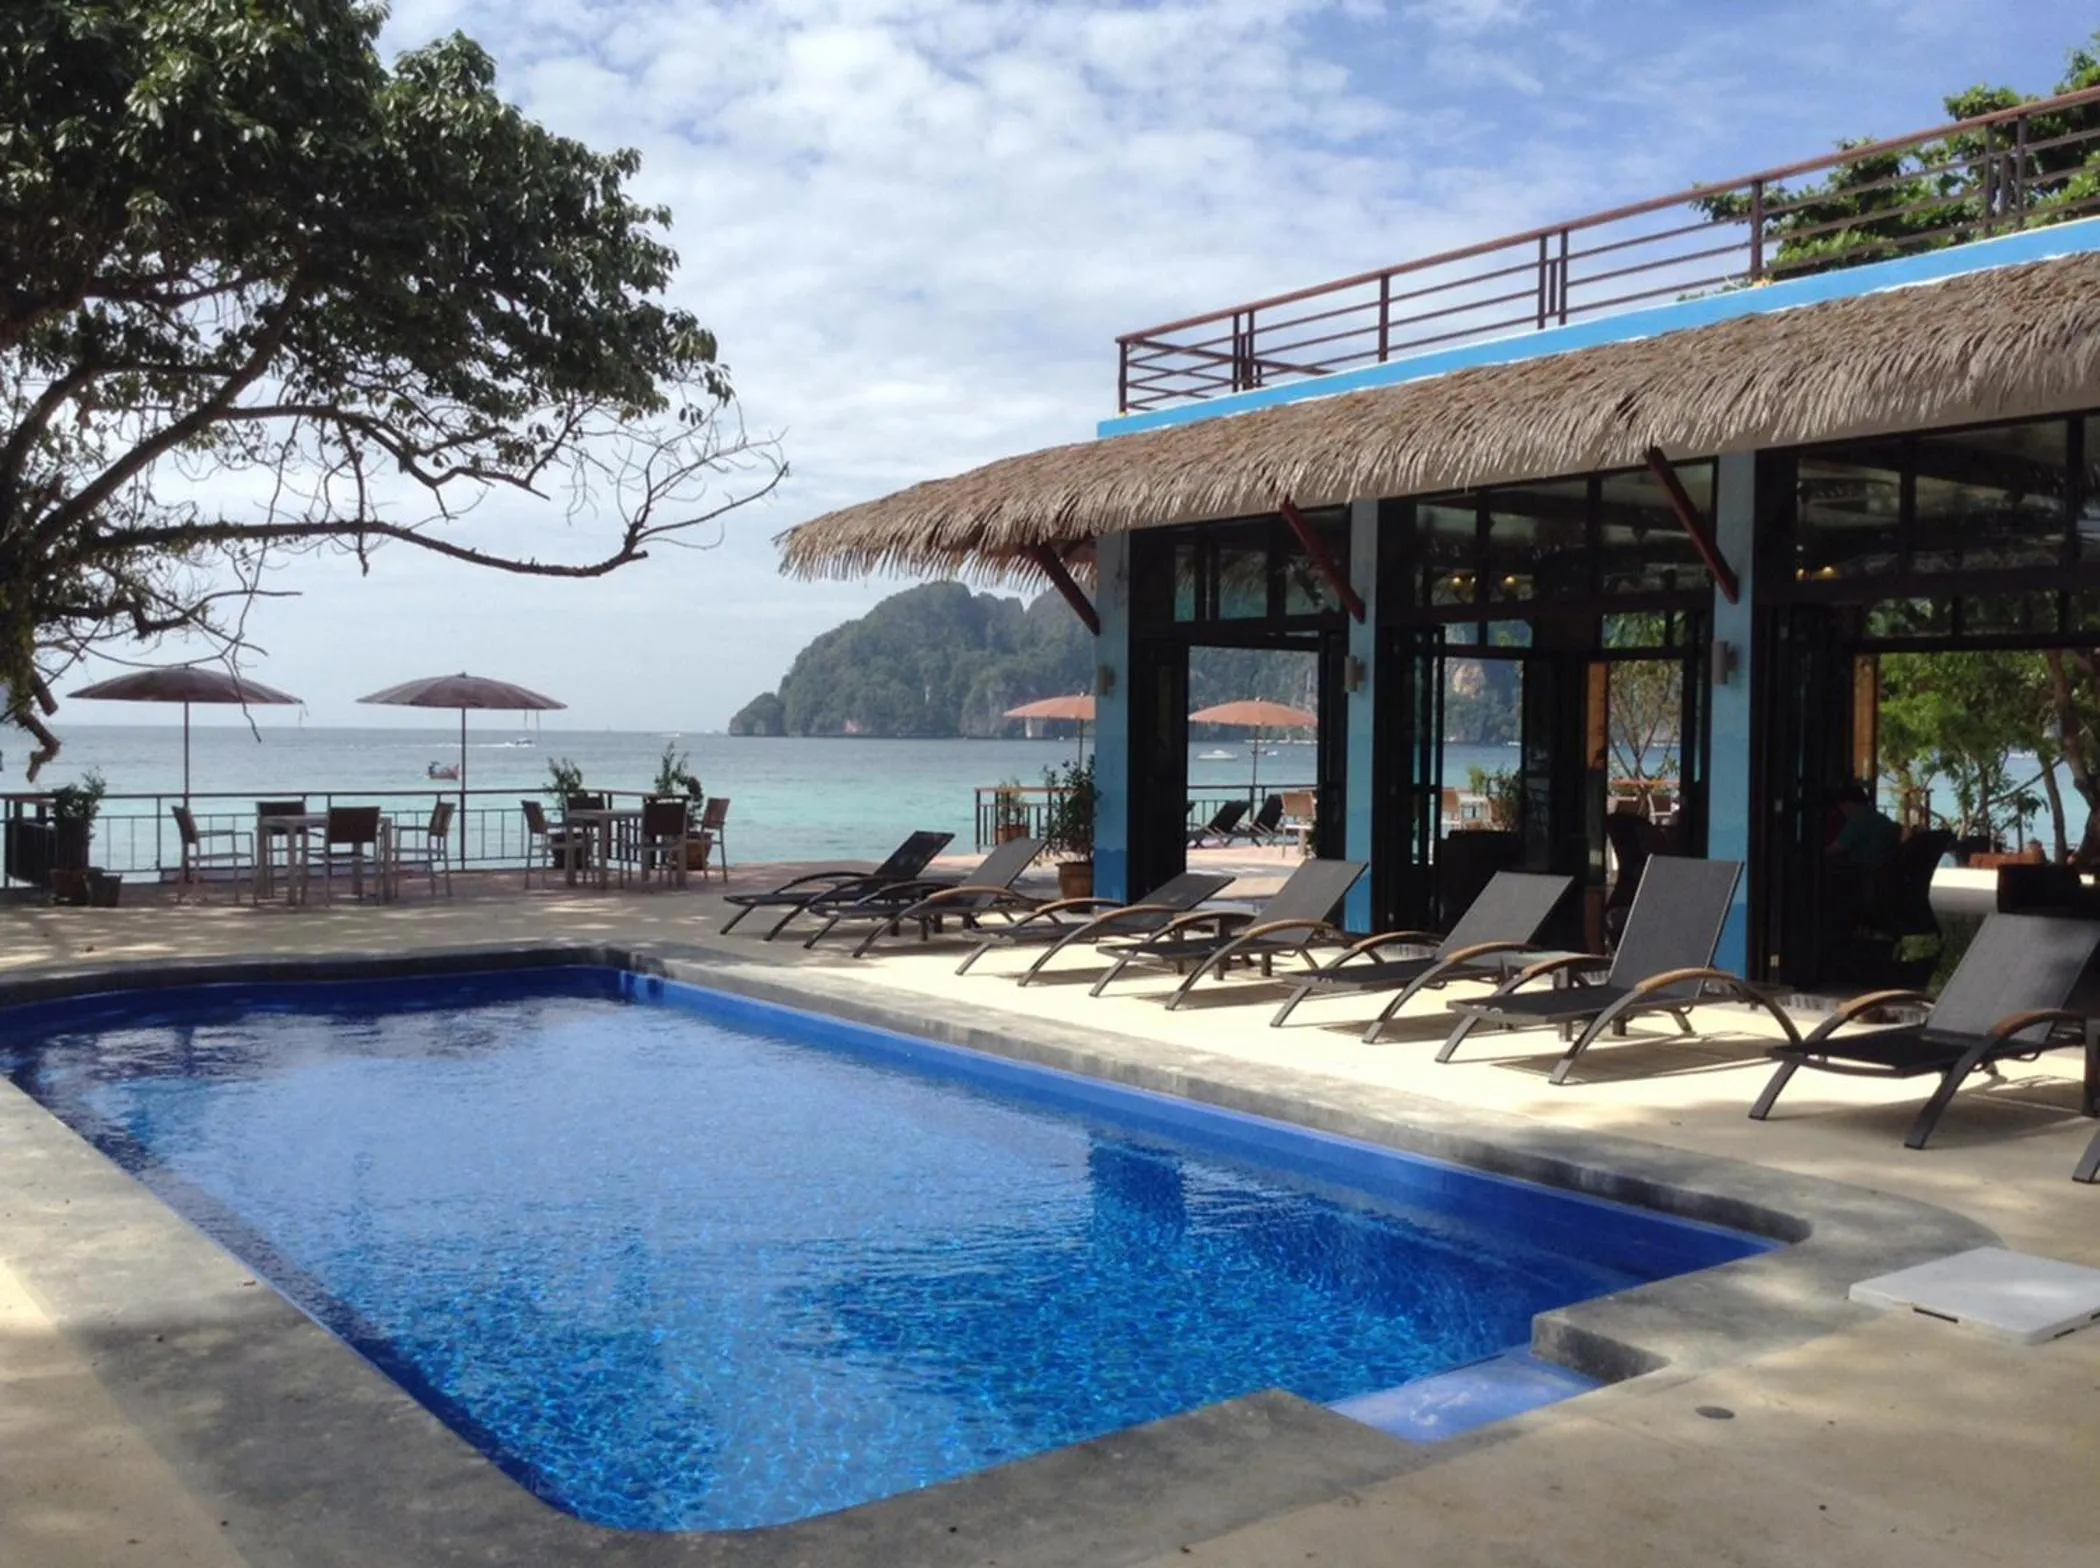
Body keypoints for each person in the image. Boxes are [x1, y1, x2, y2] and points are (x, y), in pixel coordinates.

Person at [1826, 783, 1900, 871]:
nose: (1843, 812)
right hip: (1885, 872)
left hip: (1861, 873)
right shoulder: (1883, 819)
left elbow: (1837, 848)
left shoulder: (1857, 820)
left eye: (1842, 808)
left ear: (1849, 804)